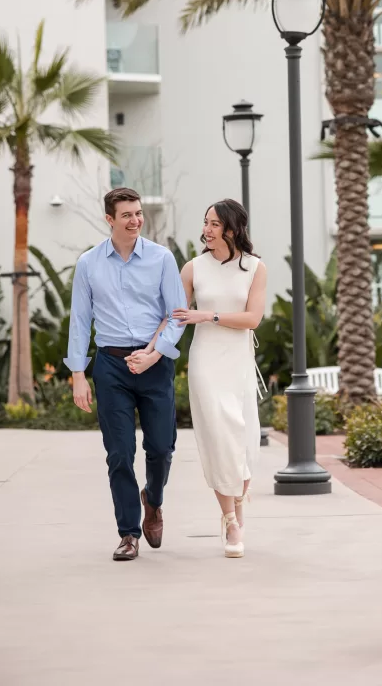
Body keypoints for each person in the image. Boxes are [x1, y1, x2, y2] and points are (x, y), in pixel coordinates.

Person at [66, 186, 186, 562]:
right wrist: (78, 374)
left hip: (153, 363)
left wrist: (155, 355)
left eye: (138, 213)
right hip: (111, 365)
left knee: (162, 448)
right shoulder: (89, 263)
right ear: (109, 220)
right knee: (119, 453)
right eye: (127, 215)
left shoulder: (162, 258)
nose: (136, 221)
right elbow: (80, 321)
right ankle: (128, 533)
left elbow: (177, 314)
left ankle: (154, 499)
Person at [162, 199, 266, 558]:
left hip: (238, 363)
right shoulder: (192, 268)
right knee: (219, 437)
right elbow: (173, 316)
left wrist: (208, 315)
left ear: (232, 229)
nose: (206, 230)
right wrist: (150, 350)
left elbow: (252, 319)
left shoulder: (255, 268)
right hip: (206, 363)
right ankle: (230, 521)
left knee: (245, 439)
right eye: (205, 222)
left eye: (214, 224)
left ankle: (237, 510)